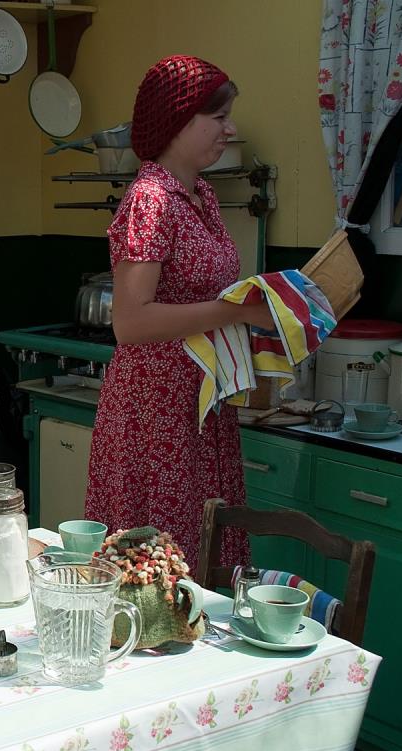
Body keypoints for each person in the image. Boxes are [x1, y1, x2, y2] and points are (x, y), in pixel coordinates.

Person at [84, 55, 272, 571]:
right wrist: (235, 313)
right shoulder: (151, 200)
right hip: (157, 409)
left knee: (204, 546)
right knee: (160, 561)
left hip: (201, 400)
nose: (230, 129)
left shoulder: (200, 195)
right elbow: (131, 322)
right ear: (179, 120)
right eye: (218, 118)